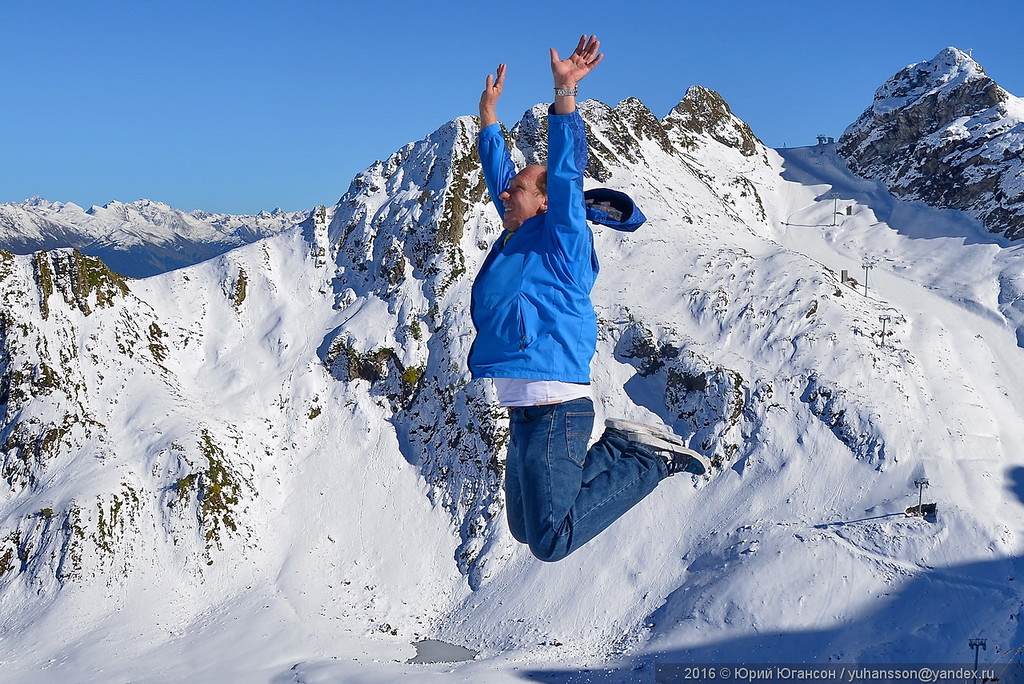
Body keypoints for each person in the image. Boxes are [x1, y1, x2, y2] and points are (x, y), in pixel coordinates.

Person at [468, 35, 710, 563]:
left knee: (552, 541)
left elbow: (564, 173)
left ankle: (644, 459)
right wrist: (488, 118)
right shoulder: (517, 236)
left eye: (519, 189)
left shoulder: (562, 241)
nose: (506, 192)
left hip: (555, 406)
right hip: (525, 410)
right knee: (525, 529)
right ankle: (624, 451)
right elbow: (501, 181)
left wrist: (564, 94)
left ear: (550, 204)